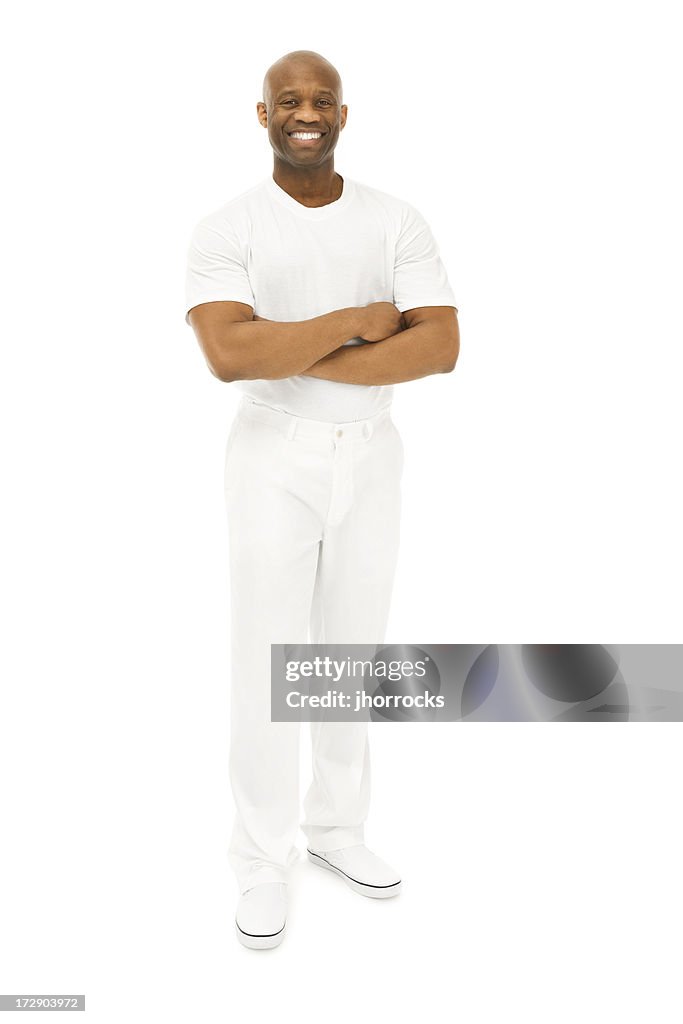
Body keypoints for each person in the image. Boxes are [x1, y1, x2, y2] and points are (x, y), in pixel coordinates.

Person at [184, 49, 459, 949]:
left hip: (373, 454)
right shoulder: (229, 228)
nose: (307, 111)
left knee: (349, 649)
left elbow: (438, 347)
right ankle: (262, 861)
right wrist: (350, 320)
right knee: (267, 658)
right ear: (261, 116)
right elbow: (229, 356)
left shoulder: (395, 220)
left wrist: (286, 344)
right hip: (272, 457)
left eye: (323, 100)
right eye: (287, 100)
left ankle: (336, 831)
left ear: (344, 115)